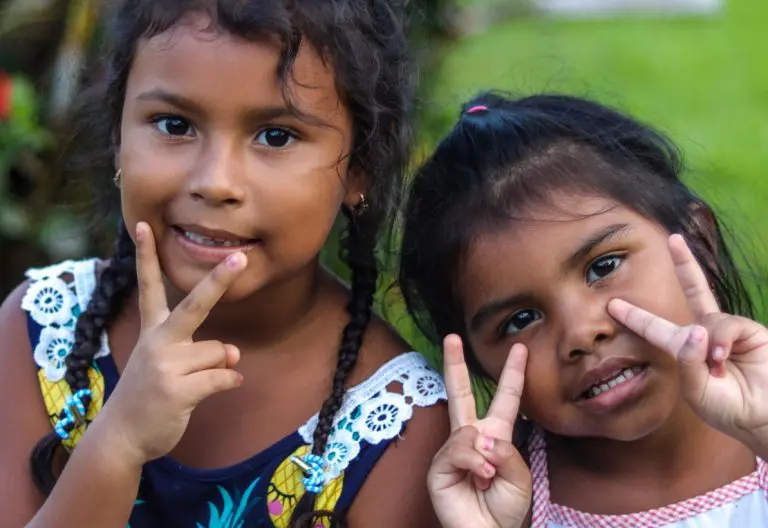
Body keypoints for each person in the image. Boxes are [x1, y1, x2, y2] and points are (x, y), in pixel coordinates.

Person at [0, 2, 449, 526]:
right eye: (174, 124)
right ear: (119, 138)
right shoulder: (42, 335)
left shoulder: (394, 424)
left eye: (276, 136)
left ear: (359, 168)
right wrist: (117, 442)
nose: (215, 181)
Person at [399, 92, 768, 527]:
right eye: (520, 320)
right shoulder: (502, 508)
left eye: (604, 266)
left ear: (698, 240)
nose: (580, 333)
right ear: (479, 361)